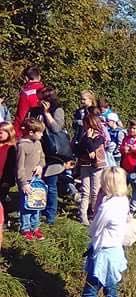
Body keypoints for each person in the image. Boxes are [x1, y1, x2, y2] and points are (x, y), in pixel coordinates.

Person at [82, 166, 130, 297]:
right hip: (116, 251)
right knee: (111, 294)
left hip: (103, 254)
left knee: (89, 294)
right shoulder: (123, 200)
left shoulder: (107, 206)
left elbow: (94, 229)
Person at [28, 87, 69, 225]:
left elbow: (57, 128)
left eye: (42, 99)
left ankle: (50, 215)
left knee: (51, 184)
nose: (39, 101)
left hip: (53, 153)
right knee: (38, 182)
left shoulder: (57, 110)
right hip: (38, 150)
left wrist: (46, 113)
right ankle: (36, 210)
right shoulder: (34, 110)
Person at [16, 118, 46, 241]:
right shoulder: (22, 146)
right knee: (26, 206)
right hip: (27, 181)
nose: (42, 134)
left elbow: (42, 158)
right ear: (31, 132)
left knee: (37, 204)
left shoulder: (38, 143)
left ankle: (35, 228)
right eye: (40, 132)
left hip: (37, 181)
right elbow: (20, 166)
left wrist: (40, 165)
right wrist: (23, 183)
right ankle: (26, 228)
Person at [76, 111, 107, 226]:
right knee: (85, 191)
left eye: (85, 124)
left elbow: (93, 147)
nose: (84, 127)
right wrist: (87, 139)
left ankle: (93, 213)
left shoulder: (100, 136)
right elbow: (80, 148)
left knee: (95, 192)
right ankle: (82, 214)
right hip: (85, 166)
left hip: (96, 166)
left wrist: (89, 144)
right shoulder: (84, 136)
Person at [13, 67, 44, 135]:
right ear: (39, 77)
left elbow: (21, 116)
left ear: (26, 78)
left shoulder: (26, 93)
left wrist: (16, 133)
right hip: (45, 130)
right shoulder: (47, 91)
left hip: (31, 131)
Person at [0, 122, 17, 233]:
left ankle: (4, 220)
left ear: (9, 133)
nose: (0, 134)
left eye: (3, 132)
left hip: (4, 178)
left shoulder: (10, 148)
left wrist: (8, 180)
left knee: (2, 199)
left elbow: (11, 166)